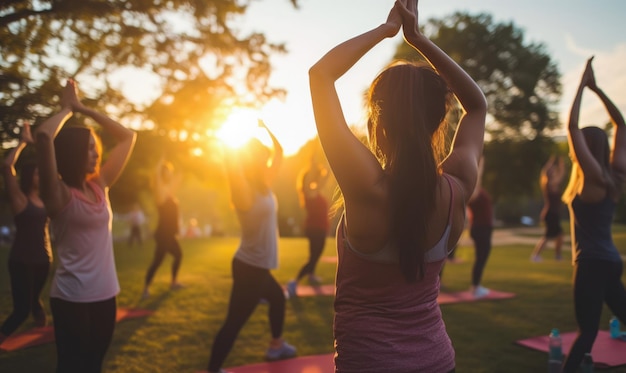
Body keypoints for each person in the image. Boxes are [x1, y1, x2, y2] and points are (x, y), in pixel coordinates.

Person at [308, 0, 487, 371]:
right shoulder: (457, 188)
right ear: (438, 121)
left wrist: (386, 30)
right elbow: (477, 107)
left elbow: (320, 75)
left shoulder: (366, 190)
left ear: (377, 121)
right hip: (438, 361)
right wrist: (418, 38)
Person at [34, 79, 136, 372]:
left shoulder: (99, 186)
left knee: (93, 365)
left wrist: (83, 108)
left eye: (96, 147)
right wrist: (66, 110)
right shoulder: (58, 194)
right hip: (72, 298)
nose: (96, 153)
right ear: (75, 153)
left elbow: (128, 137)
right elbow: (43, 137)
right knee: (71, 366)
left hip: (106, 294)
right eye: (89, 148)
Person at [207, 120, 296, 373]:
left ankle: (276, 345)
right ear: (249, 159)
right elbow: (232, 168)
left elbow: (279, 152)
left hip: (257, 266)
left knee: (278, 298)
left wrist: (267, 128)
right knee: (234, 322)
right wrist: (227, 141)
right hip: (250, 267)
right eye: (258, 155)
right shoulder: (243, 189)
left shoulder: (264, 183)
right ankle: (213, 369)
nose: (264, 158)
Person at [561, 57, 626, 373]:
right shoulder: (615, 176)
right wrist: (597, 89)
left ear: (585, 149)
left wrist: (581, 87)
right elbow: (622, 126)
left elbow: (571, 127)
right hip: (611, 262)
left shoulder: (594, 179)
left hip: (591, 264)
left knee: (587, 331)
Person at [0, 122, 52, 345]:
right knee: (21, 310)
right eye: (38, 174)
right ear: (30, 176)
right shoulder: (20, 200)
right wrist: (23, 142)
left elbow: (53, 169)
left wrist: (41, 147)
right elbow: (6, 166)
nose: (42, 177)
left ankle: (41, 325)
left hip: (43, 259)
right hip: (22, 261)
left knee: (34, 300)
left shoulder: (47, 198)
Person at [286, 155, 330, 297]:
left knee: (315, 254)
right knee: (314, 257)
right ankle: (294, 282)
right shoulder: (309, 192)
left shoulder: (314, 190)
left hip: (319, 228)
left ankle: (311, 275)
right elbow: (321, 179)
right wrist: (314, 167)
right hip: (315, 229)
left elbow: (325, 177)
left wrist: (321, 166)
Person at [142, 157, 183, 299]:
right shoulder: (160, 193)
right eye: (167, 172)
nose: (169, 174)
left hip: (170, 234)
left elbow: (178, 178)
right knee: (158, 261)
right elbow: (158, 177)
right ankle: (146, 289)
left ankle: (173, 282)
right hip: (163, 234)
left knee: (178, 255)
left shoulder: (169, 191)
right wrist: (159, 164)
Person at [466, 156, 493, 298]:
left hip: (484, 229)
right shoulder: (472, 193)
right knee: (481, 258)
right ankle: (475, 287)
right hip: (480, 229)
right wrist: (479, 166)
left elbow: (479, 180)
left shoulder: (477, 190)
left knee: (481, 257)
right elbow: (477, 178)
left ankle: (476, 286)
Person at [531, 155, 566, 261]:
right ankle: (535, 255)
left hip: (553, 214)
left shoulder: (551, 183)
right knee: (548, 236)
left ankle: (557, 255)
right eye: (553, 170)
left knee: (559, 236)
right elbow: (561, 174)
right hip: (551, 214)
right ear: (550, 174)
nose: (555, 171)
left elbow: (560, 174)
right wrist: (558, 164)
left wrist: (556, 163)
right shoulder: (549, 183)